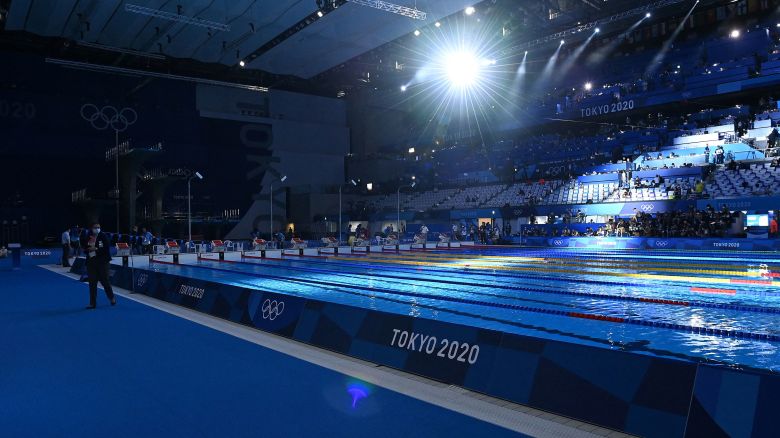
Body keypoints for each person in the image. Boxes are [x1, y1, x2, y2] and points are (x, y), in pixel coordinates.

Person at [82, 223, 116, 309]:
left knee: (105, 282)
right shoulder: (89, 236)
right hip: (91, 263)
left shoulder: (103, 236)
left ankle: (111, 297)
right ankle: (92, 303)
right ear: (91, 228)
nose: (97, 229)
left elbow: (105, 249)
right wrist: (88, 249)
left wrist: (96, 250)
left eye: (98, 227)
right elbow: (85, 247)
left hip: (103, 263)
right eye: (95, 227)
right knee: (92, 284)